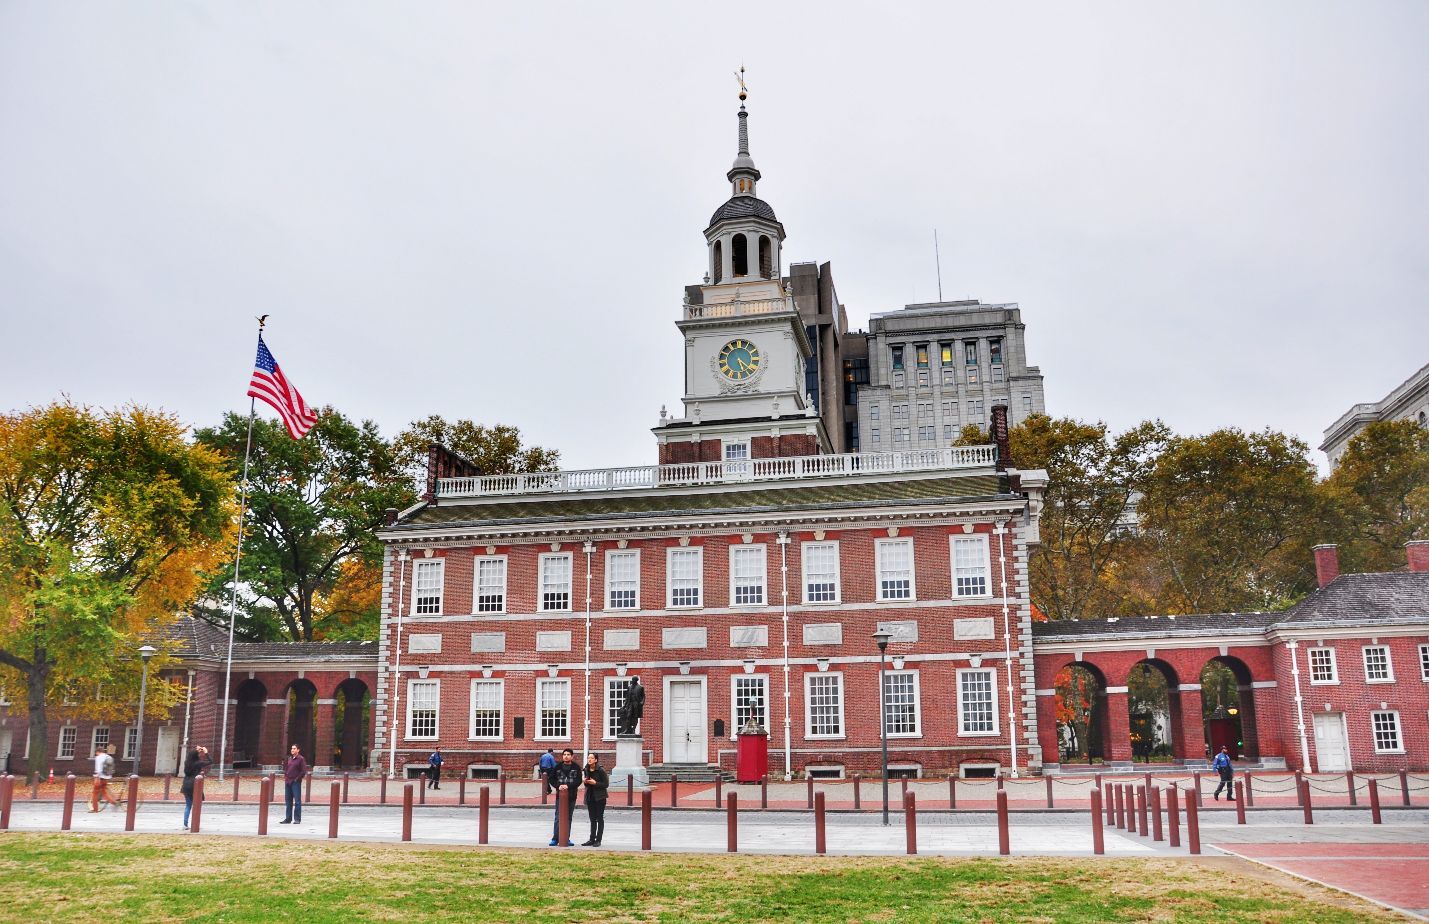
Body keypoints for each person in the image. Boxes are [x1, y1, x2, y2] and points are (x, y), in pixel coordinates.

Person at [546, 747, 582, 847]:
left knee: (569, 817)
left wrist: (568, 786)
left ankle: (566, 837)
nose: (566, 756)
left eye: (568, 755)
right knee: (558, 817)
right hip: (560, 796)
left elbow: (578, 780)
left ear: (572, 756)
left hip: (571, 796)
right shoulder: (557, 767)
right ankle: (555, 838)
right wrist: (558, 786)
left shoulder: (576, 767)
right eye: (564, 755)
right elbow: (551, 779)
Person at [580, 753, 609, 847]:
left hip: (600, 797)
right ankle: (591, 839)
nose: (589, 759)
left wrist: (595, 783)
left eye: (592, 758)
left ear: (596, 760)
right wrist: (586, 782)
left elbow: (605, 784)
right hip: (590, 796)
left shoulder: (601, 770)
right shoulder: (586, 769)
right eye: (588, 758)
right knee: (592, 819)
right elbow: (587, 785)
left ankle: (598, 840)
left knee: (599, 818)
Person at [180, 744, 211, 829]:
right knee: (196, 805)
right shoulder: (198, 763)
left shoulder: (187, 762)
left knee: (188, 805)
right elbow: (210, 761)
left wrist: (197, 750)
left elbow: (192, 754)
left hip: (186, 784)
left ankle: (185, 824)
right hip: (195, 785)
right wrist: (206, 752)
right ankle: (195, 823)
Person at [280, 743, 307, 823]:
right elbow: (286, 769)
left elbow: (303, 771)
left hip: (295, 782)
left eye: (294, 748)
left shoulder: (301, 759)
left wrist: (297, 779)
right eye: (292, 748)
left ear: (298, 750)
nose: (292, 750)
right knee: (288, 801)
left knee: (297, 801)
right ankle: (288, 819)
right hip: (288, 782)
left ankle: (297, 819)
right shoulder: (289, 759)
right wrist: (286, 776)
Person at [89, 743, 118, 813]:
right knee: (104, 792)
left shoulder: (98, 758)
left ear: (97, 752)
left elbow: (98, 769)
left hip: (100, 777)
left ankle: (95, 809)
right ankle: (114, 802)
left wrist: (97, 777)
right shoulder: (107, 756)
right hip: (107, 777)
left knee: (95, 793)